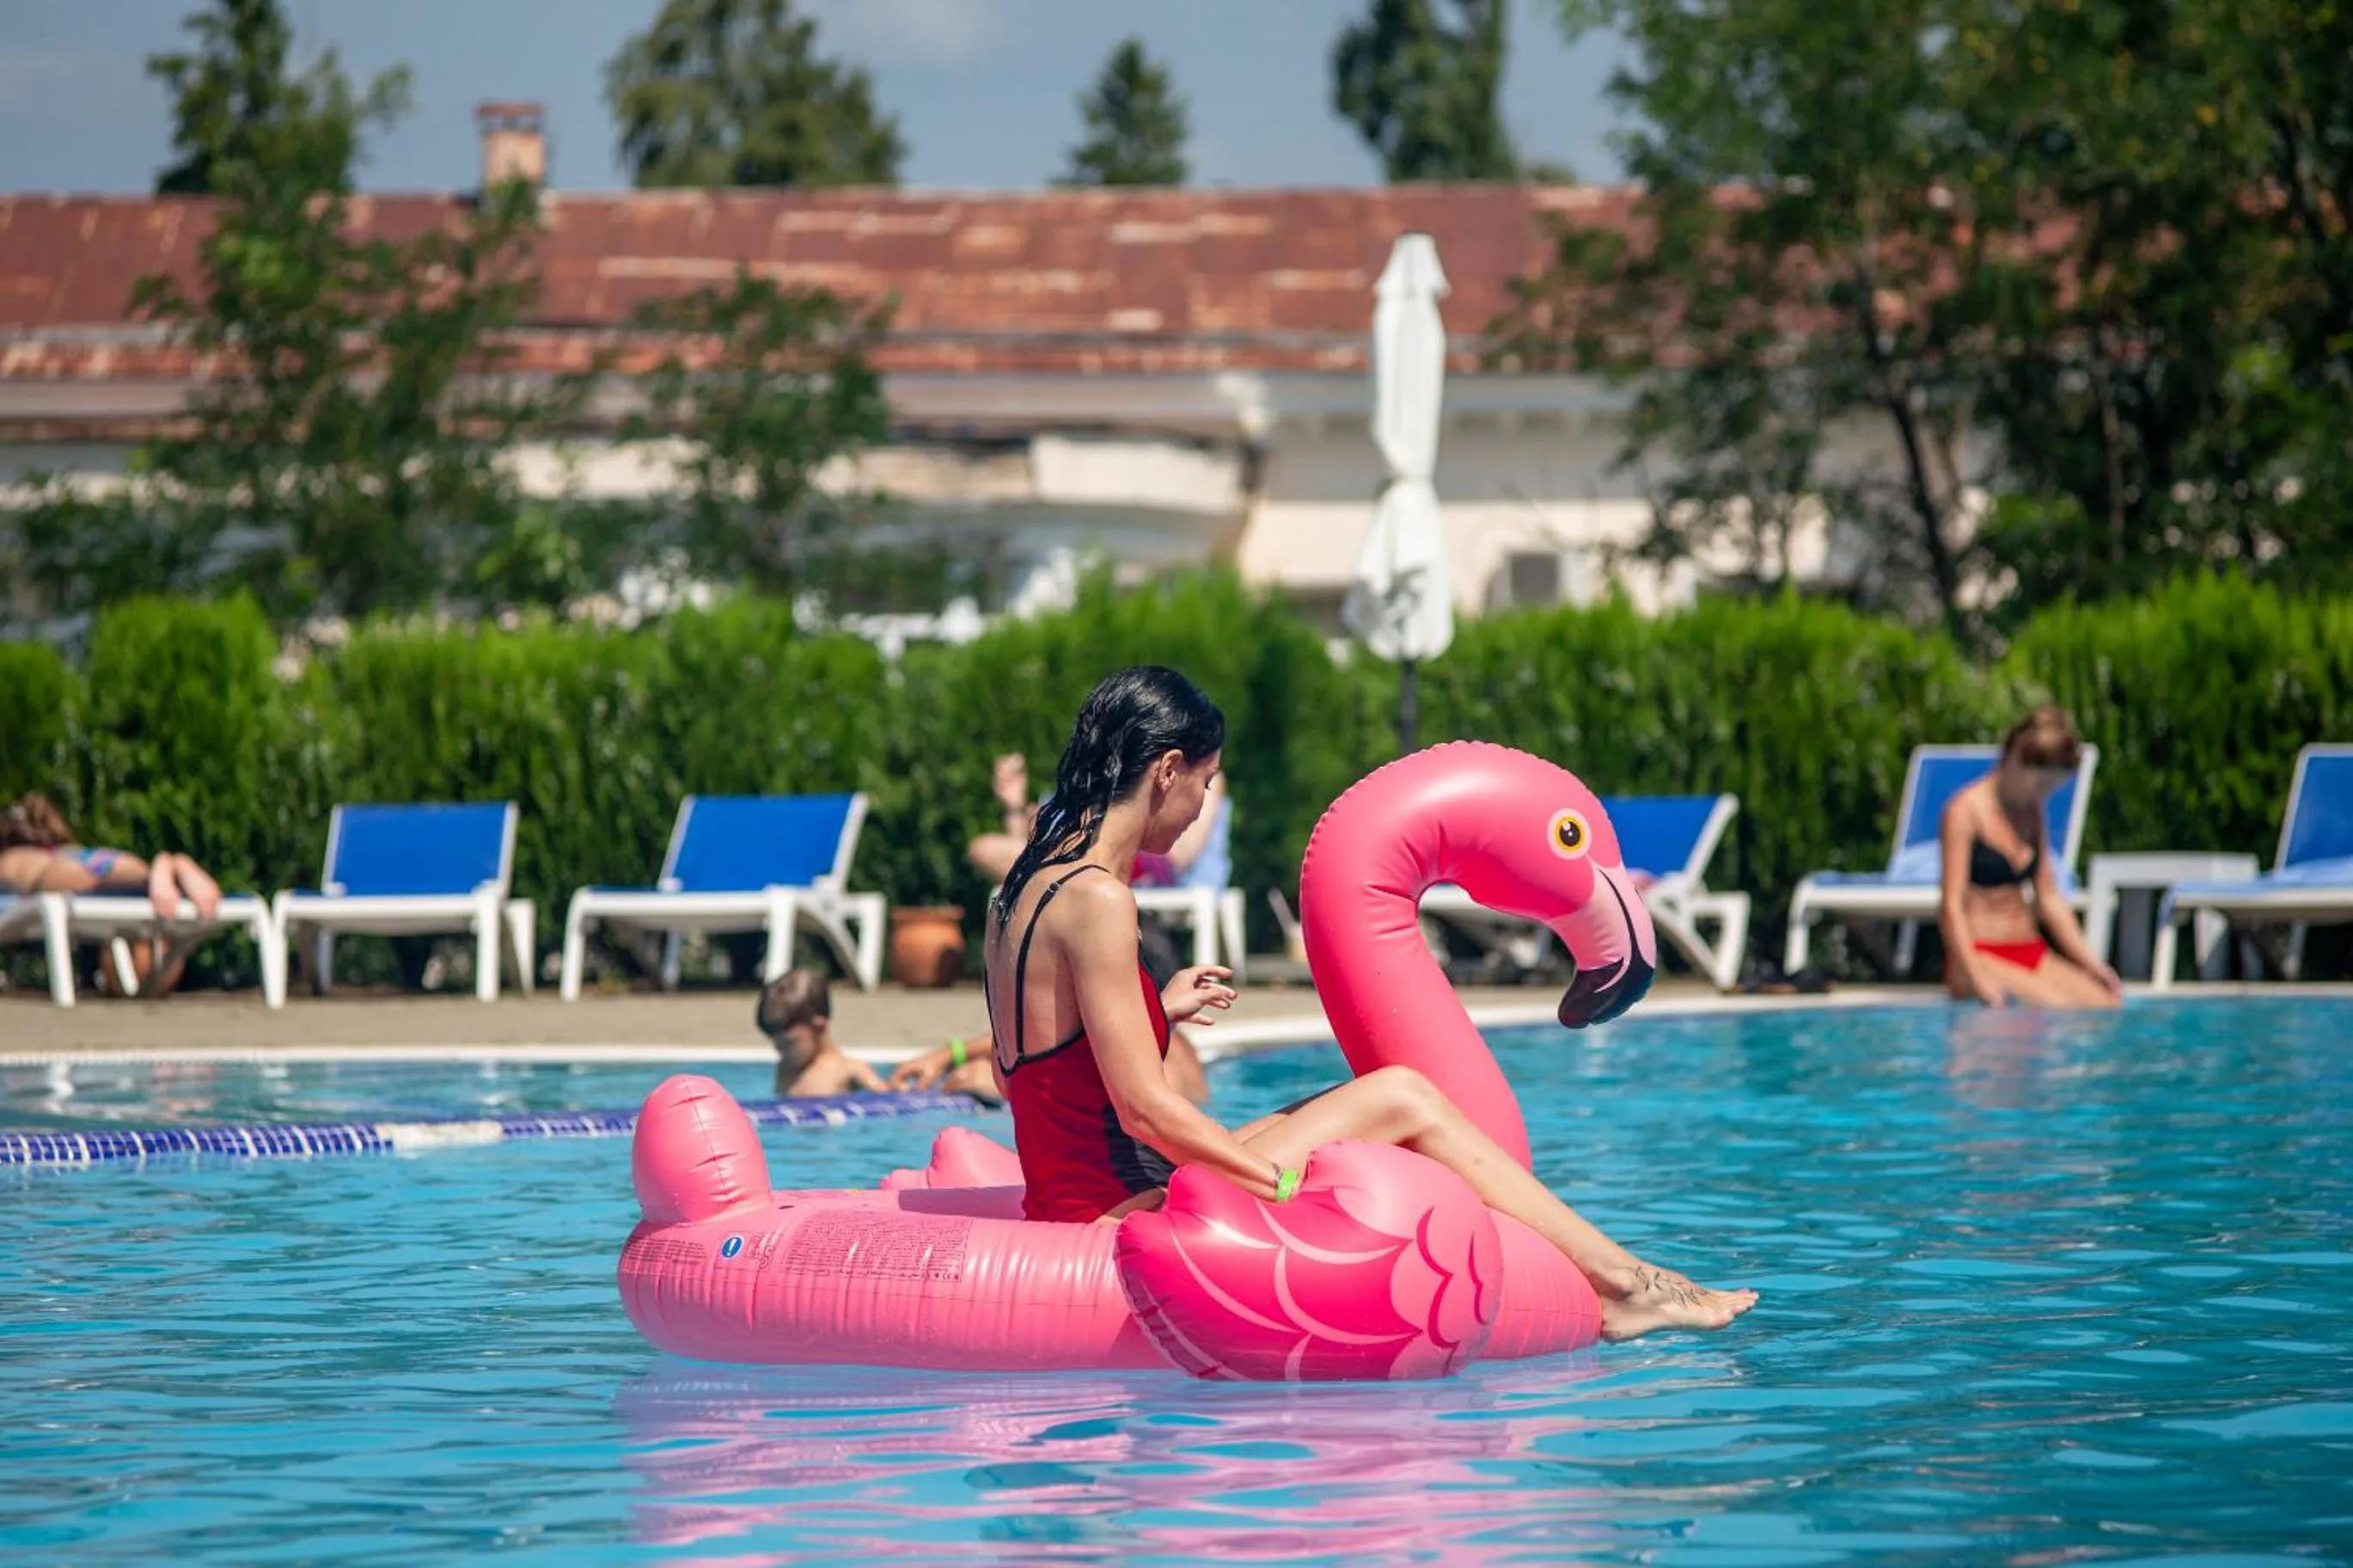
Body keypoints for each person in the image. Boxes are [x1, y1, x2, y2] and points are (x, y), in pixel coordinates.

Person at [981, 664, 1756, 1341]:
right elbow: (1146, 1111)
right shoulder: (1100, 901)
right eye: (1205, 783)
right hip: (1126, 1207)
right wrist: (1271, 1183)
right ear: (1167, 769)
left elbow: (1029, 1070)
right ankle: (1625, 1283)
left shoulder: (1025, 885)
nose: (1198, 806)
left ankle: (1614, 1276)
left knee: (1329, 1106)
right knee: (1404, 1095)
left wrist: (1157, 1010)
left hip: (1079, 1193)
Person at [1937, 706, 2124, 1010]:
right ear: (2012, 759)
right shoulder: (1963, 812)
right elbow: (1951, 905)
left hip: (2030, 950)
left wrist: (2092, 964)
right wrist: (1976, 977)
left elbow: (2049, 899)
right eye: (2038, 785)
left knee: (2106, 1005)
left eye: (2050, 788)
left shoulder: (2031, 812)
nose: (2041, 795)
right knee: (2058, 1009)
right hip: (1979, 952)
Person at [0, 791, 223, 996]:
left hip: (54, 875)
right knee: (121, 874)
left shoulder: (13, 859)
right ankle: (168, 865)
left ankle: (165, 867)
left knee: (93, 881)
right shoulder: (72, 850)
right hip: (101, 861)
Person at [755, 970, 889, 1097]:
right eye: (776, 1043)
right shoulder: (785, 1069)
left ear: (818, 1026)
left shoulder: (849, 1070)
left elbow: (887, 1100)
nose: (779, 1051)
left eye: (789, 1044)